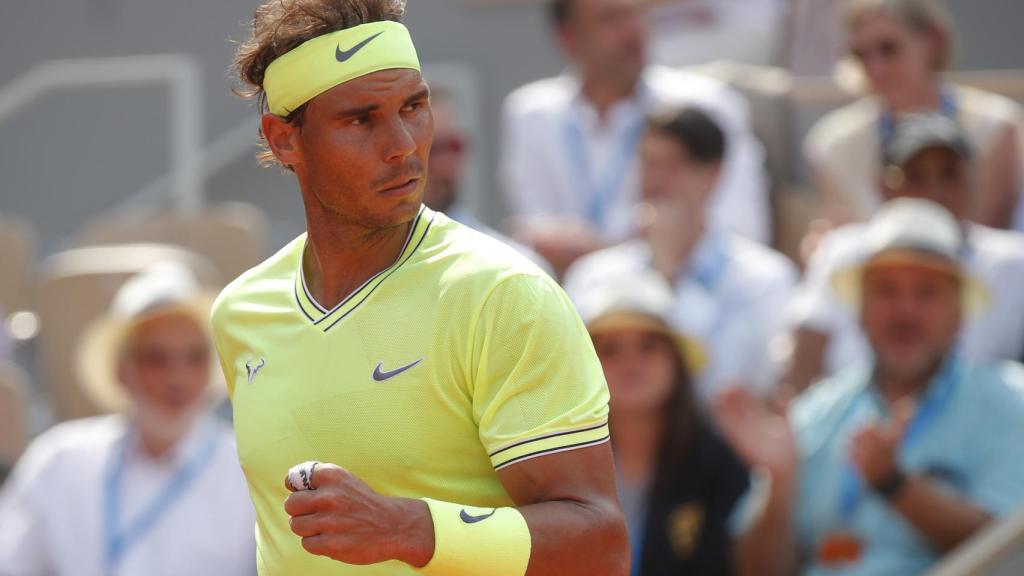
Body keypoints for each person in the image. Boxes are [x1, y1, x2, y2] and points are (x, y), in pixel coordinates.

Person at [213, 2, 627, 575]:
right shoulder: (240, 313)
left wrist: (410, 529)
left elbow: (600, 545)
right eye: (362, 119)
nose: (403, 144)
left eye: (414, 106)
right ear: (284, 140)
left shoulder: (504, 295)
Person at [717, 198, 1024, 576]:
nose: (905, 311)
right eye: (887, 291)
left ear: (959, 311)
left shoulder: (1012, 404)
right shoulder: (814, 414)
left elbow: (1010, 553)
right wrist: (778, 490)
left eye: (926, 292)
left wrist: (895, 485)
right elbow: (756, 570)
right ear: (859, 309)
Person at [0, 263, 256, 576]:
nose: (178, 377)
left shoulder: (249, 471)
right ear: (122, 370)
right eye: (156, 359)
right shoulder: (59, 461)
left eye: (194, 357)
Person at [501, 0, 770, 275]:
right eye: (610, 19)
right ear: (568, 36)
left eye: (636, 15)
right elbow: (536, 236)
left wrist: (603, 253)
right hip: (569, 301)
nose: (633, 31)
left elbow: (742, 232)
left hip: (687, 301)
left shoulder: (710, 104)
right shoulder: (530, 114)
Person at [564, 106, 796, 403]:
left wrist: (668, 274)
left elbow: (730, 385)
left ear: (713, 175)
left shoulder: (764, 278)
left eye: (674, 165)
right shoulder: (593, 275)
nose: (657, 181)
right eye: (649, 163)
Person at [786, 114, 1024, 394]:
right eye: (915, 176)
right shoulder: (840, 250)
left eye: (950, 175)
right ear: (881, 185)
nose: (934, 190)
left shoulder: (1016, 263)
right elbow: (803, 364)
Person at [577, 270, 748, 576]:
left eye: (648, 346)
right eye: (610, 349)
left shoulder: (717, 459)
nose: (631, 361)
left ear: (677, 362)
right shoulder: (559, 455)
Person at [804, 0, 1023, 229]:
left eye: (888, 48)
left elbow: (983, 241)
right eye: (861, 55)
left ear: (932, 41)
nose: (875, 68)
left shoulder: (998, 126)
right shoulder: (832, 143)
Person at [424, 87, 553, 274]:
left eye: (453, 146)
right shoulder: (371, 268)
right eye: (430, 149)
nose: (445, 163)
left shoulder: (515, 268)